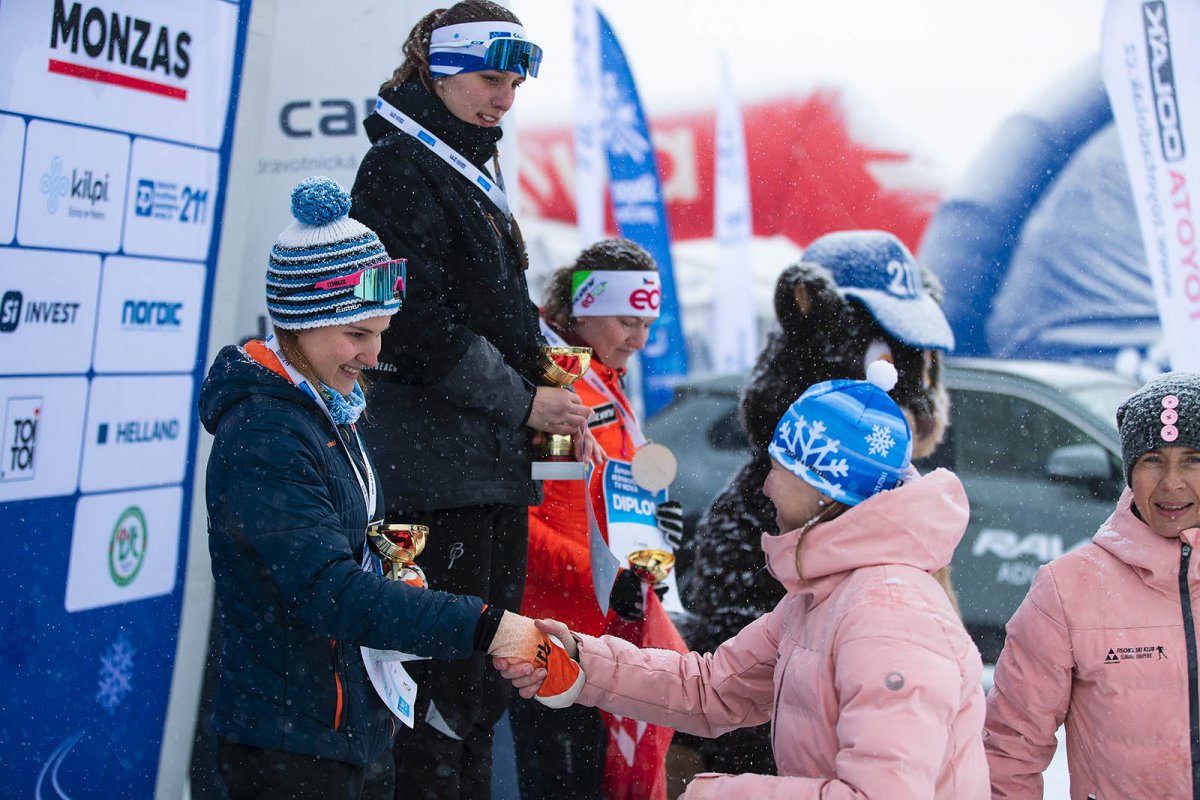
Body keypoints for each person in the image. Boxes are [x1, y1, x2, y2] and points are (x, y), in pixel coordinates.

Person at [200, 177, 577, 800]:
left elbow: (356, 563)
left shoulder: (327, 406)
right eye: (356, 334)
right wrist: (488, 627)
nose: (374, 355)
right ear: (299, 320)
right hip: (291, 741)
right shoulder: (267, 432)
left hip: (348, 724)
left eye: (381, 333)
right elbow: (329, 593)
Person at [497, 363, 989, 799]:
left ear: (824, 487)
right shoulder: (825, 596)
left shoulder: (888, 618)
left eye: (777, 468)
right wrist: (581, 660)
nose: (765, 485)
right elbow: (712, 690)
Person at [348, 4, 596, 797]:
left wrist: (557, 394)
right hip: (430, 477)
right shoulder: (396, 167)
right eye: (492, 78)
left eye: (517, 82)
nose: (506, 99)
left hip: (482, 471)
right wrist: (527, 404)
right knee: (437, 699)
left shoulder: (466, 165)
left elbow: (499, 312)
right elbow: (417, 325)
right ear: (440, 68)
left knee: (482, 689)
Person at [511, 239, 686, 800]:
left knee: (598, 778)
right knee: (564, 782)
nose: (641, 338)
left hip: (595, 625)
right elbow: (523, 524)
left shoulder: (602, 374)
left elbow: (598, 497)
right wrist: (607, 578)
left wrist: (652, 526)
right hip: (546, 626)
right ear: (583, 309)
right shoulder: (552, 384)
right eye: (627, 321)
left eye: (649, 323)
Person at [984, 371, 1200, 797]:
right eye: (1152, 459)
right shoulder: (1067, 590)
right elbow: (1010, 748)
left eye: (1193, 459)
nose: (1172, 482)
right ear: (1128, 470)